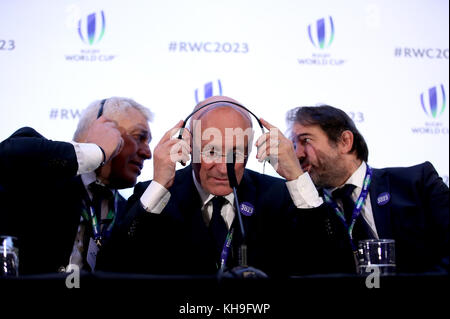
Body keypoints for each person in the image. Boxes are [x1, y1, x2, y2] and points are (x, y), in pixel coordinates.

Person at [99, 96, 345, 276]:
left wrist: (296, 177)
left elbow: (335, 261)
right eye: (211, 151)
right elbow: (112, 268)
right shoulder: (155, 195)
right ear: (188, 146)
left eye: (236, 153)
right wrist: (159, 186)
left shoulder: (278, 196)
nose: (221, 167)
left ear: (252, 151)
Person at [286, 104, 449, 273]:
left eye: (306, 140)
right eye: (294, 145)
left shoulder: (417, 183)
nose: (298, 154)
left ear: (345, 142)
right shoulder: (304, 208)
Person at [0, 97, 153, 274]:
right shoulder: (38, 170)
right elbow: (7, 156)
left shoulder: (125, 213)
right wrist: (97, 151)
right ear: (103, 128)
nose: (147, 152)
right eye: (139, 137)